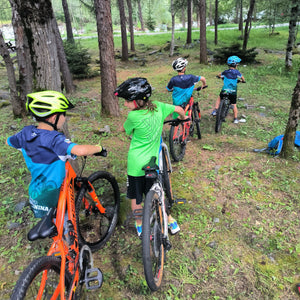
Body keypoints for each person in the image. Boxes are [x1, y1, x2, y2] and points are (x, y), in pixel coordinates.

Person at [6, 90, 104, 218]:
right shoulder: (55, 140)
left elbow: (9, 142)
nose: (65, 118)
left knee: (50, 222)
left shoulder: (25, 134)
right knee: (65, 225)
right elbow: (80, 151)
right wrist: (99, 148)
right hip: (54, 193)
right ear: (54, 117)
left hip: (36, 193)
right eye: (64, 114)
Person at [115, 77, 187, 237]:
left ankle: (140, 225)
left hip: (135, 165)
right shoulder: (160, 107)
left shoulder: (133, 117)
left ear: (138, 101)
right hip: (153, 163)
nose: (125, 104)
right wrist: (182, 119)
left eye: (128, 101)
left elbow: (125, 130)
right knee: (156, 192)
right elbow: (179, 110)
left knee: (135, 197)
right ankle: (169, 220)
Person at [211, 55, 246, 124]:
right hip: (233, 91)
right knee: (234, 104)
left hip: (225, 90)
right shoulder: (237, 72)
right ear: (236, 65)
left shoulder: (225, 72)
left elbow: (219, 75)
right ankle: (235, 118)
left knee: (219, 98)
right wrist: (243, 81)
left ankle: (215, 110)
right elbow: (242, 78)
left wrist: (219, 76)